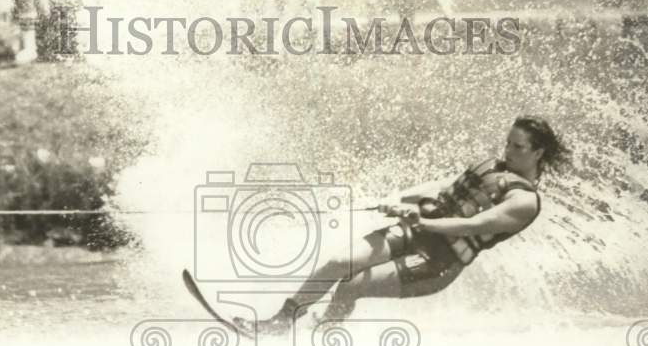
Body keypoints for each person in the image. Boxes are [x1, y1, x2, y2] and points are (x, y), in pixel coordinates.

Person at [239, 117, 569, 334]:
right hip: (418, 231)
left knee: (352, 285)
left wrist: (421, 219)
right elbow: (442, 187)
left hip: (439, 262)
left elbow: (470, 226)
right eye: (508, 142)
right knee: (340, 262)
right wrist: (396, 199)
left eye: (518, 147)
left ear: (538, 153)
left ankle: (323, 333)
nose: (508, 151)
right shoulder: (492, 167)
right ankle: (280, 323)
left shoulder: (524, 201)